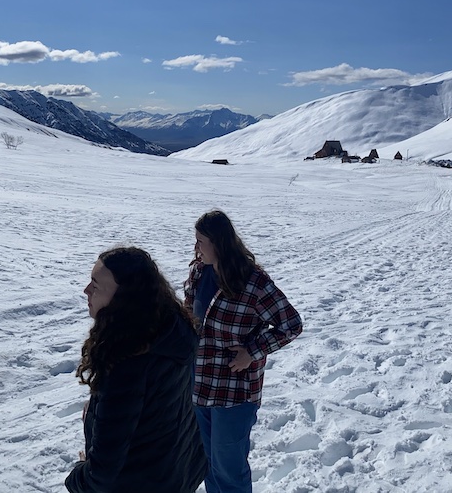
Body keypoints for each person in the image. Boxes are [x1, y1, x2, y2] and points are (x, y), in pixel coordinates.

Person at [64, 247, 208, 493]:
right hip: (177, 472)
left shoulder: (127, 364)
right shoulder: (167, 330)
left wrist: (78, 474)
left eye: (96, 285)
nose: (86, 291)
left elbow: (101, 476)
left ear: (124, 297)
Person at [186, 210, 304, 493]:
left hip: (234, 391)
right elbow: (189, 317)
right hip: (198, 384)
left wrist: (252, 351)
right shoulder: (199, 271)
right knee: (207, 464)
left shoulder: (254, 282)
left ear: (219, 243)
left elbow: (291, 324)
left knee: (229, 468)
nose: (196, 248)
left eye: (201, 241)